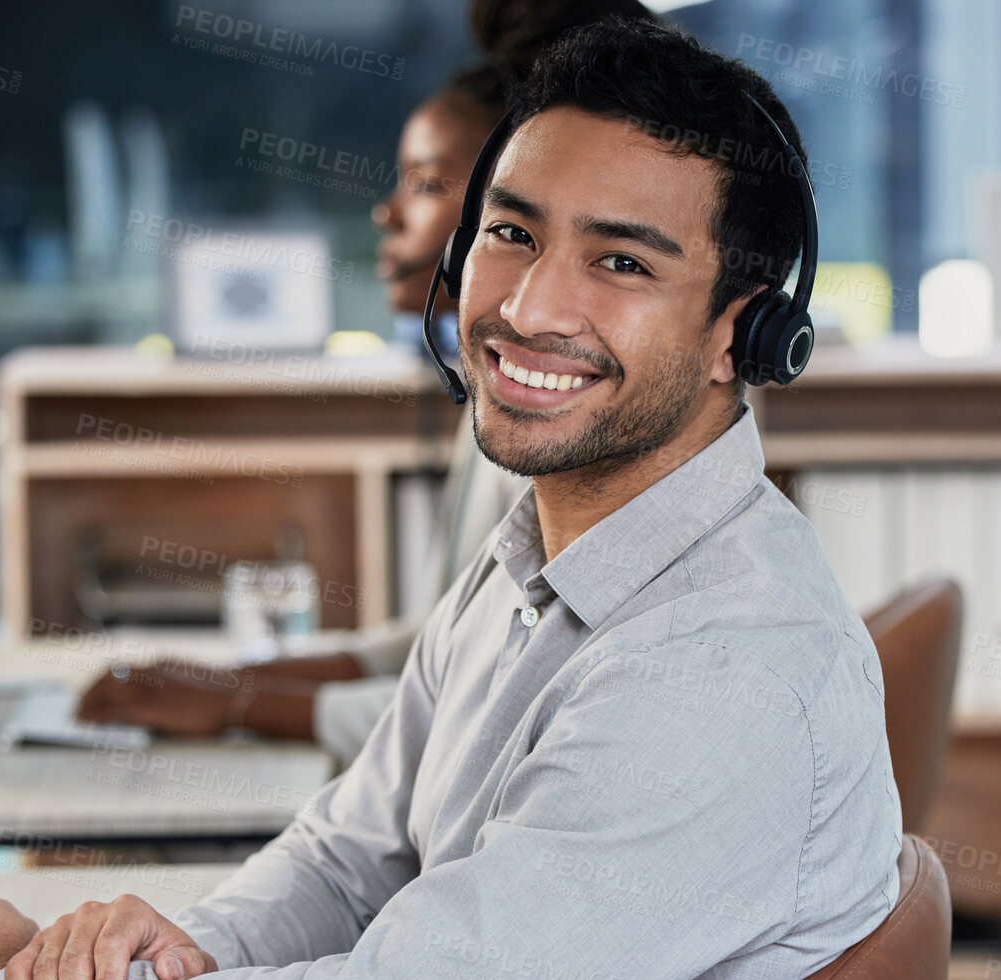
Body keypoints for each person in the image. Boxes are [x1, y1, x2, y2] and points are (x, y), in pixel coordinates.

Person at [0, 19, 904, 980]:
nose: (525, 305)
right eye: (512, 233)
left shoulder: (721, 674)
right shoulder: (541, 546)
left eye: (621, 263)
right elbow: (349, 855)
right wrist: (156, 956)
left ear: (746, 332)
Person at [75, 1, 658, 770]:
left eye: (421, 183)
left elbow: (497, 701)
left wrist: (241, 703)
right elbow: (446, 643)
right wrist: (236, 680)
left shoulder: (576, 421)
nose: (385, 211)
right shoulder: (499, 389)